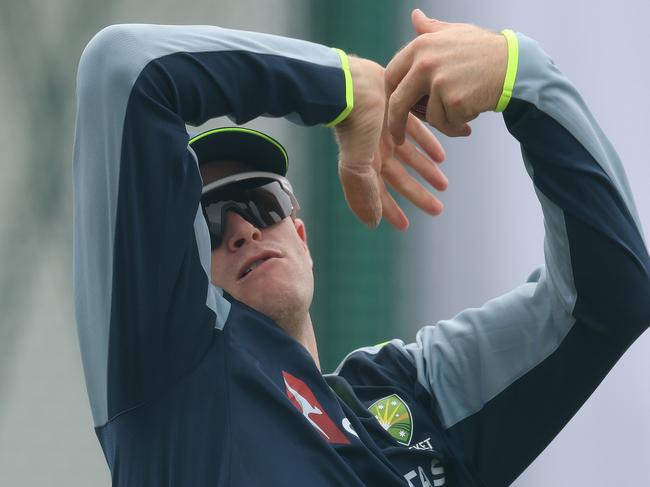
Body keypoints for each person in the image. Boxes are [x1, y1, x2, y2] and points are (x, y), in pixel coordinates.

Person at [72, 9, 650, 487]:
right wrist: (344, 86)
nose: (243, 229)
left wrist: (523, 76)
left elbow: (610, 299)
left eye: (262, 204)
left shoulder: (409, 396)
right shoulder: (172, 377)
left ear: (300, 236)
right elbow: (125, 68)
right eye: (211, 224)